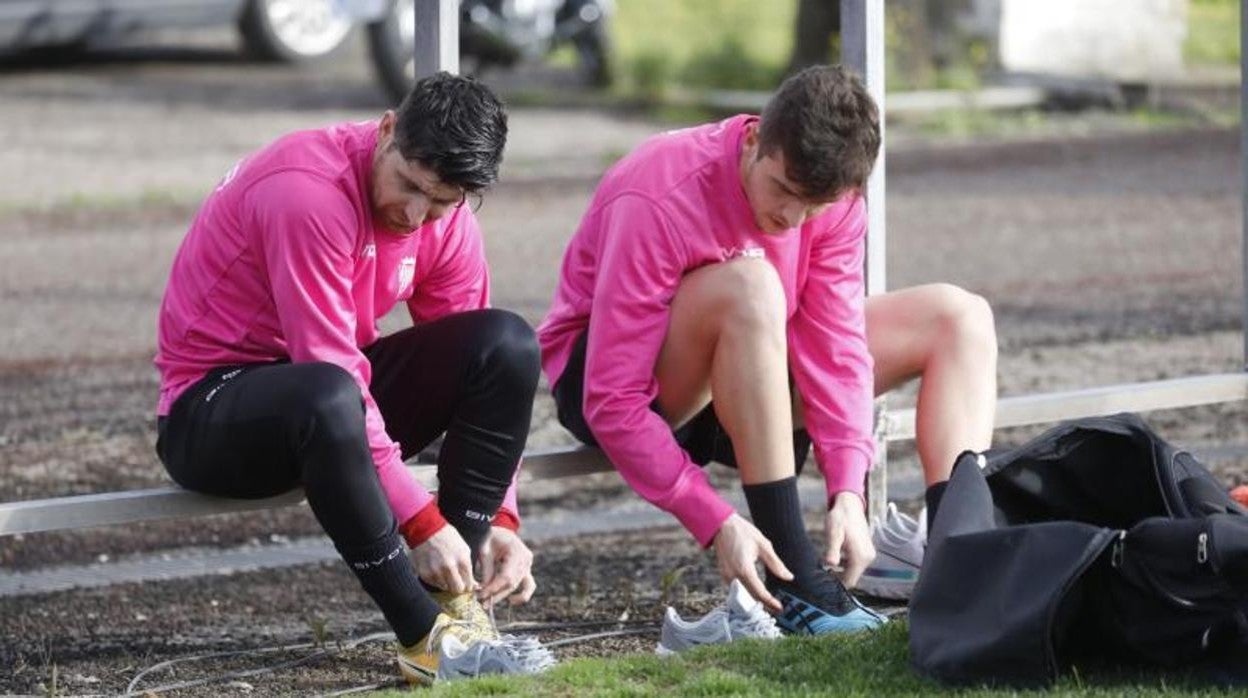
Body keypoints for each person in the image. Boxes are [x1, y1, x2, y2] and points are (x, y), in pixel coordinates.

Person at [537, 65, 998, 635]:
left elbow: (837, 349)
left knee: (960, 318)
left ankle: (965, 562)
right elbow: (611, 397)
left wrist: (848, 490)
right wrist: (712, 516)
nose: (791, 220)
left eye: (815, 206)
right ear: (754, 139)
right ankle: (796, 580)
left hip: (753, 363)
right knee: (753, 283)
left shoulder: (835, 203)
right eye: (783, 190)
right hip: (624, 385)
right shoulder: (660, 187)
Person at [153, 72, 553, 684]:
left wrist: (501, 515)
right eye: (409, 186)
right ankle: (422, 635)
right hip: (212, 414)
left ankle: (460, 600)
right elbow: (330, 364)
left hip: (330, 403)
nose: (416, 215)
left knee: (505, 344)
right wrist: (420, 520)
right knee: (329, 393)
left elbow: (474, 362)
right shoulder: (305, 193)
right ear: (387, 129)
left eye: (442, 202)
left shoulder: (446, 221)